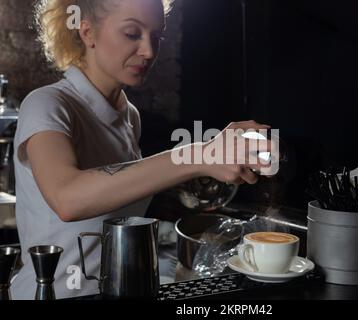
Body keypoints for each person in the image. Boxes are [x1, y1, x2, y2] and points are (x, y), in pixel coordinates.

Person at [11, 0, 271, 299]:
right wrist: (196, 155)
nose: (149, 51)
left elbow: (120, 191)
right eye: (132, 34)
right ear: (87, 32)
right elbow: (68, 198)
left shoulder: (128, 115)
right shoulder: (47, 104)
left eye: (156, 36)